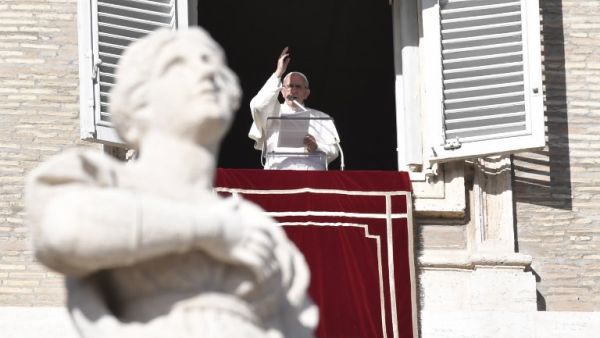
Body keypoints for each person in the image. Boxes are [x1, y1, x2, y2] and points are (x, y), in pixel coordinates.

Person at [25, 28, 317, 338]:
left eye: (215, 66)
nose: (207, 71)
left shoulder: (258, 225)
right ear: (138, 100)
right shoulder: (98, 181)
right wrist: (210, 229)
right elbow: (64, 231)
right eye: (179, 65)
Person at [248, 47, 340, 170]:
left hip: (311, 177)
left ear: (306, 93)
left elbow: (335, 151)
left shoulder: (321, 117)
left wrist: (316, 147)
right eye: (289, 86)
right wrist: (278, 73)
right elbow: (258, 106)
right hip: (278, 173)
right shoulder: (272, 112)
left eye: (298, 87)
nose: (293, 90)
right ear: (282, 92)